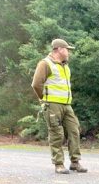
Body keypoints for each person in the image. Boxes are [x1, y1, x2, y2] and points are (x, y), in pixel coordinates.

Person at [31, 38, 87, 174]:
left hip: (66, 104)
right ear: (59, 49)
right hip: (52, 104)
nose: (68, 52)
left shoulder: (65, 66)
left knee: (74, 130)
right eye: (67, 49)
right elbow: (36, 84)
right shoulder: (45, 63)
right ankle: (59, 164)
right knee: (56, 133)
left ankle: (75, 162)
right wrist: (44, 100)